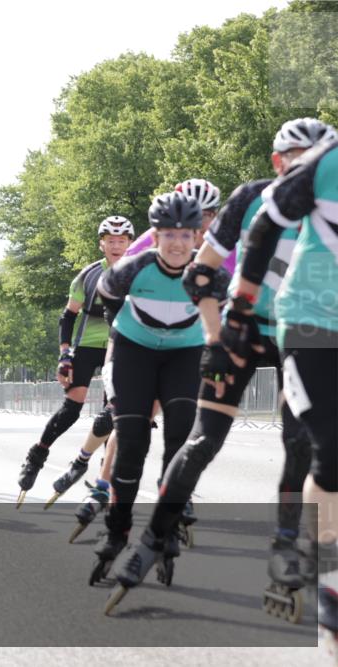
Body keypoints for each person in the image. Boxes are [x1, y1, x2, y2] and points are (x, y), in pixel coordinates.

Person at [106, 119, 336, 618]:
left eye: (320, 156)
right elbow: (201, 272)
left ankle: (285, 549)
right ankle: (151, 539)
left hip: (301, 333)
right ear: (279, 162)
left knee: (299, 444)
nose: (311, 167)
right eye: (301, 157)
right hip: (240, 330)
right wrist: (215, 335)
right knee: (204, 440)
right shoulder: (251, 198)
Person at [219, 137, 338, 642]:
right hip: (310, 324)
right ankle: (329, 579)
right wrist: (242, 303)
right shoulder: (325, 166)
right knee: (329, 447)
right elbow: (266, 224)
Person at [88, 191, 230, 587]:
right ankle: (117, 531)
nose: (178, 243)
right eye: (169, 234)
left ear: (199, 235)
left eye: (187, 234)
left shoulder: (212, 275)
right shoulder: (131, 269)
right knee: (131, 443)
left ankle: (164, 532)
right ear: (154, 236)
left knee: (180, 437)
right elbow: (108, 300)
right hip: (135, 351)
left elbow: (223, 322)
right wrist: (119, 347)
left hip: (184, 354)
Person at [15, 216, 135, 507]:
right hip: (87, 344)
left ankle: (108, 473)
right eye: (111, 241)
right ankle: (36, 456)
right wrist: (64, 355)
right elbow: (68, 316)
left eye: (122, 241)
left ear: (130, 243)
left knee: (112, 415)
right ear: (101, 244)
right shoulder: (89, 275)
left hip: (121, 346)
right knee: (72, 408)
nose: (116, 246)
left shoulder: (140, 272)